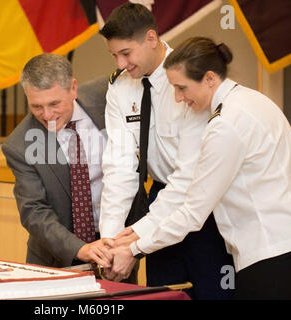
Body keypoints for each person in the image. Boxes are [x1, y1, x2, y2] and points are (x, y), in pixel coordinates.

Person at [107, 36, 291, 299]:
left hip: (268, 257)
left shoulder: (225, 125)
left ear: (210, 78)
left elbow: (192, 212)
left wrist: (135, 248)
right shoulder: (255, 100)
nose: (178, 98)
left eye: (182, 88)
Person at [98, 3, 234, 299]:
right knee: (164, 294)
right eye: (114, 55)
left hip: (205, 203)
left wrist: (137, 237)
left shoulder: (190, 76)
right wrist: (111, 240)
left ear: (150, 38)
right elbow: (118, 167)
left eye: (126, 53)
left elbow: (189, 175)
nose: (121, 64)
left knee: (214, 294)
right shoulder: (119, 87)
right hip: (160, 200)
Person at [1, 53, 113, 271]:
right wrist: (82, 249)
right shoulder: (19, 146)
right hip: (56, 260)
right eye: (36, 107)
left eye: (54, 103)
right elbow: (35, 212)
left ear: (73, 88)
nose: (47, 115)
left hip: (114, 251)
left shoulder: (106, 95)